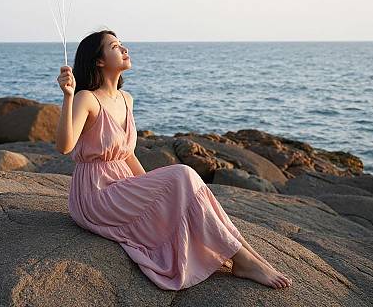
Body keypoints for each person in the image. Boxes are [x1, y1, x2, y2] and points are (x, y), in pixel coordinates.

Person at [56, 29, 292, 290]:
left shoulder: (126, 99)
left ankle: (245, 255)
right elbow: (65, 147)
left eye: (121, 44)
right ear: (99, 60)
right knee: (183, 174)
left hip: (122, 187)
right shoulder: (86, 98)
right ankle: (243, 259)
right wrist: (68, 96)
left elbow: (127, 154)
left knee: (191, 187)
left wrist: (152, 190)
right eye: (114, 46)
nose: (124, 49)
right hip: (96, 194)